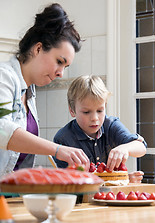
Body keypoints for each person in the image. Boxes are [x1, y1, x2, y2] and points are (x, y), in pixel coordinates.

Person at [0, 3, 90, 178]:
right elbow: (2, 129)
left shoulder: (30, 92)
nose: (60, 73)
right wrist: (57, 149)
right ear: (38, 48)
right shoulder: (4, 77)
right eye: (59, 61)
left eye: (65, 66)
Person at [53, 75, 146, 183]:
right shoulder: (63, 139)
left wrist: (125, 148)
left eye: (100, 110)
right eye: (86, 112)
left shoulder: (111, 125)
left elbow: (141, 147)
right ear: (72, 111)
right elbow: (68, 183)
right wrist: (120, 180)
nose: (95, 118)